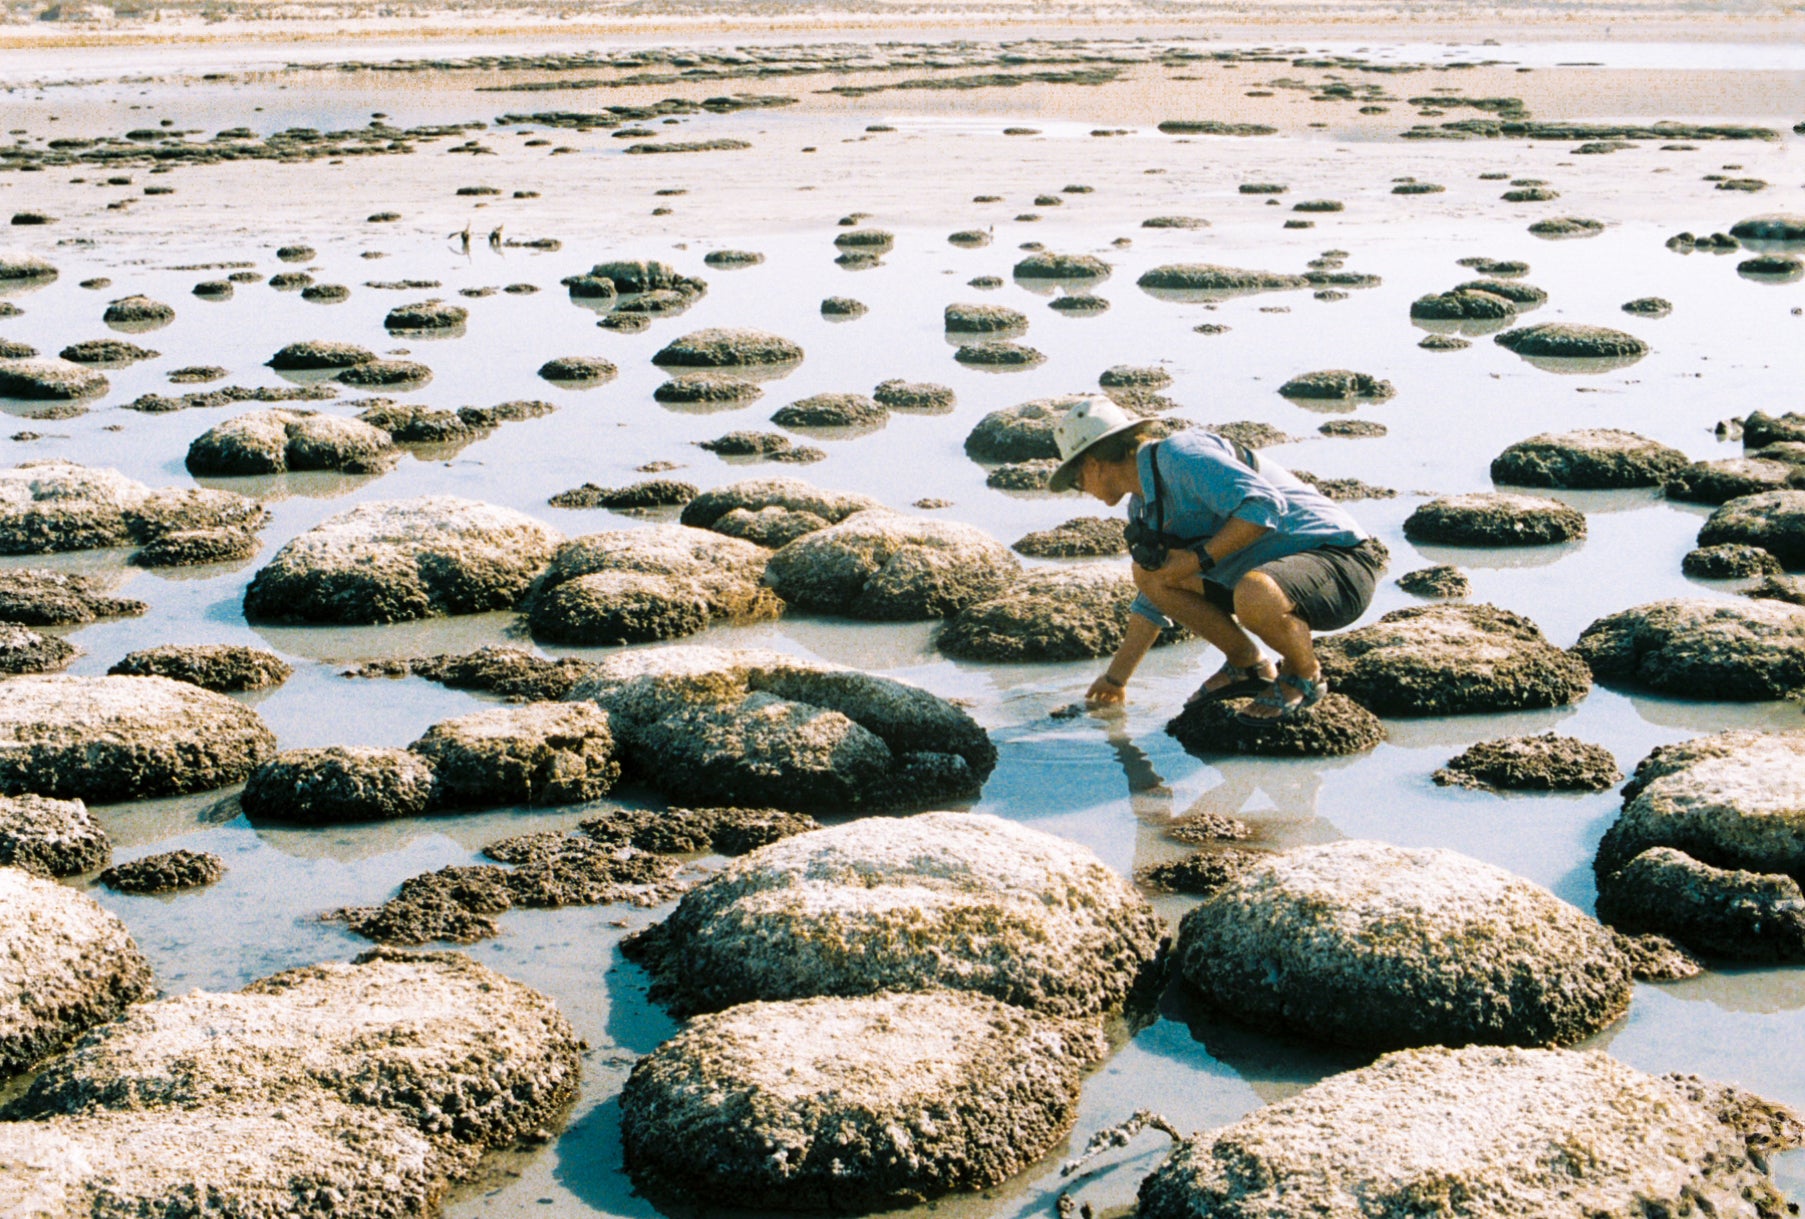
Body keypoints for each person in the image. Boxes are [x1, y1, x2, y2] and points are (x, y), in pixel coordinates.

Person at [1048, 395, 1386, 723]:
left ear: (1093, 464)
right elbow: (1154, 595)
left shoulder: (1182, 456)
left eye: (1077, 482)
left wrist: (1198, 560)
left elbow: (1264, 506)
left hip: (1342, 564)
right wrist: (1116, 679)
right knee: (1149, 574)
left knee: (1254, 592)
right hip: (1276, 580)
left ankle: (1304, 674)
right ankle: (1246, 666)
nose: (1083, 491)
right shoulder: (1143, 506)